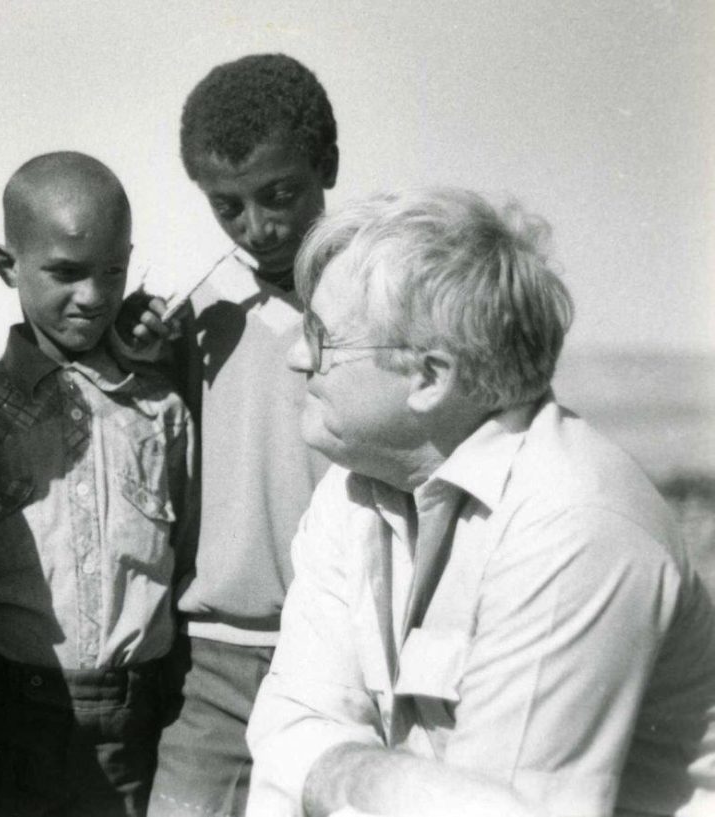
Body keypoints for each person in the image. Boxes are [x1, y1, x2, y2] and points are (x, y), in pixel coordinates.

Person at [246, 187, 715, 817]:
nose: (298, 359)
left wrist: (335, 772)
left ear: (430, 379)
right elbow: (287, 729)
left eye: (323, 337)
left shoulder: (571, 525)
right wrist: (367, 779)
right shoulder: (356, 487)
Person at [121, 53, 338, 817]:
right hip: (209, 665)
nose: (260, 225)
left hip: (339, 657)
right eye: (229, 206)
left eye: (280, 194)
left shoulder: (379, 299)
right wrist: (144, 351)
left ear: (327, 166)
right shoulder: (199, 312)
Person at [0, 151, 194, 816]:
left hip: (135, 721)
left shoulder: (160, 410)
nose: (93, 296)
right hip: (9, 717)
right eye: (65, 273)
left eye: (112, 271)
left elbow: (185, 564)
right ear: (9, 266)